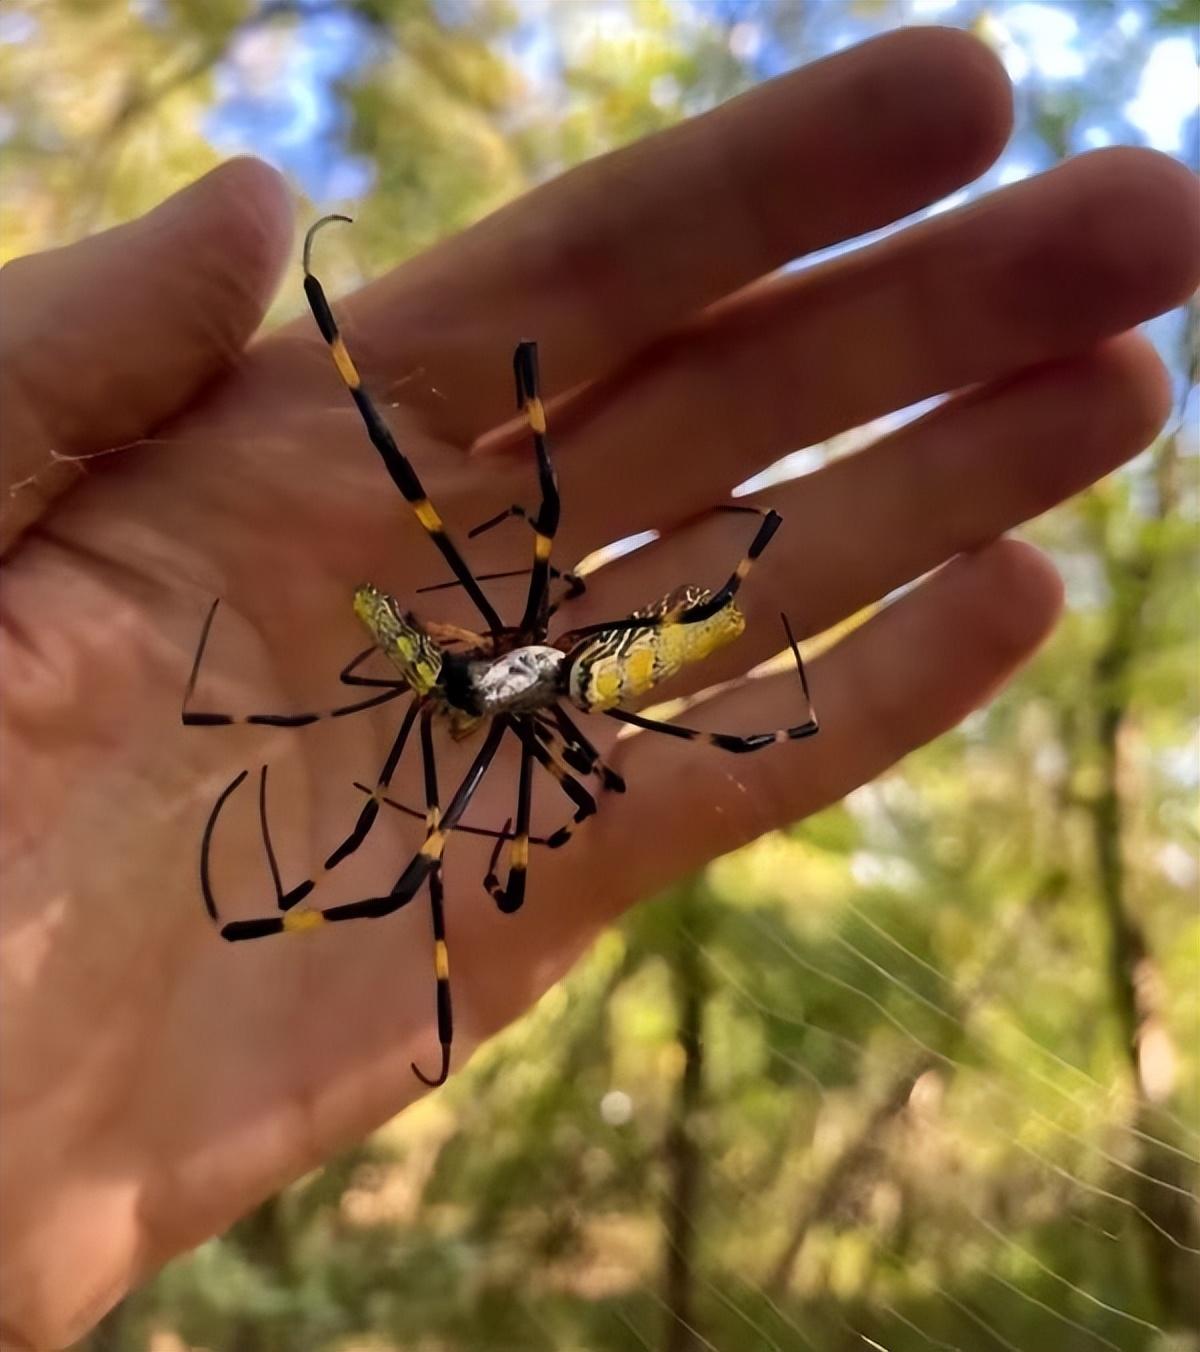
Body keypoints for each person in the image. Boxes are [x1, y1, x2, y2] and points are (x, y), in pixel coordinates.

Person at [1, 25, 1196, 1350]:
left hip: (569, 661)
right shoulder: (485, 687)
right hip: (545, 663)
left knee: (528, 686)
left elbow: (553, 710)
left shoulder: (525, 680)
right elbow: (460, 772)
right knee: (467, 760)